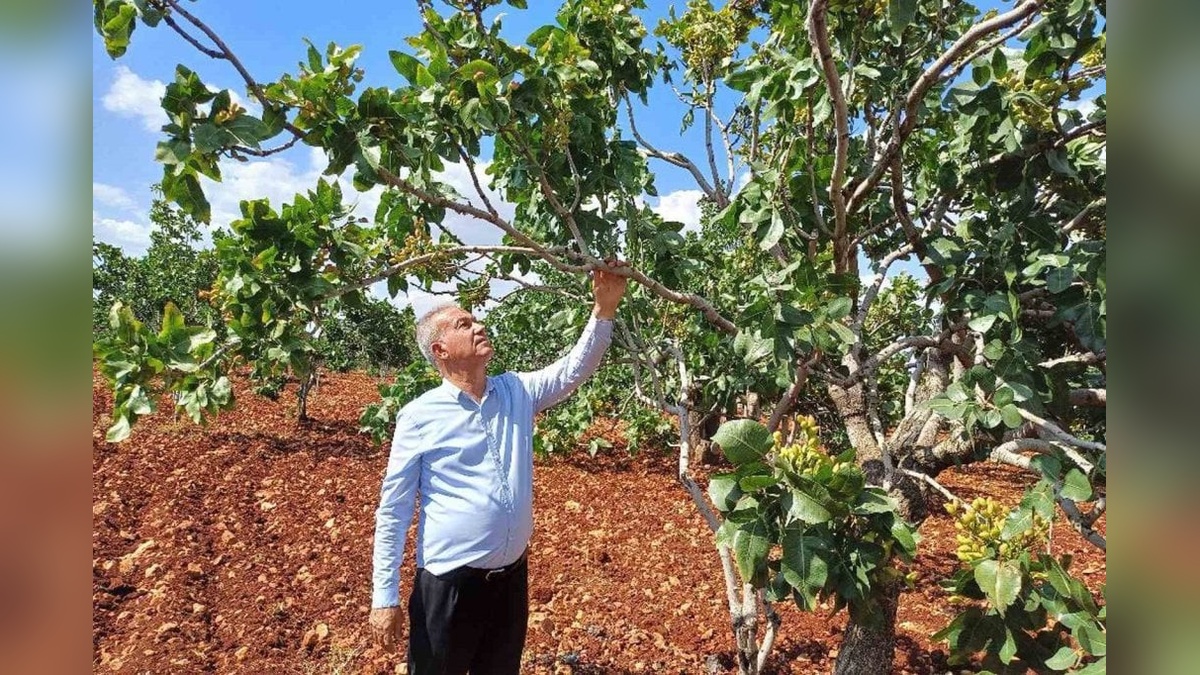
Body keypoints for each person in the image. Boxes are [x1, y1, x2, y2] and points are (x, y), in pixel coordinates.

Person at [368, 261, 628, 674]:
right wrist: (385, 596)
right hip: (449, 588)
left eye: (475, 318)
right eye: (463, 323)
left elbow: (575, 368)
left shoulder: (516, 391)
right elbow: (394, 510)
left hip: (509, 582)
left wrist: (604, 310)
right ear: (440, 350)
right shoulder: (419, 416)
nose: (478, 325)